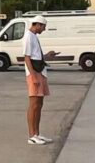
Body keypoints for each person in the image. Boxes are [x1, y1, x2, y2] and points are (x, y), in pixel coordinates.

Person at [23, 15, 57, 146]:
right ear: (37, 25)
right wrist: (33, 76)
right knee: (34, 104)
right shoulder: (28, 37)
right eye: (43, 27)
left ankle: (36, 133)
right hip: (35, 74)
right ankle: (31, 135)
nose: (44, 29)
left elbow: (35, 56)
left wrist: (46, 55)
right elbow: (26, 58)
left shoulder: (34, 37)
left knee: (39, 104)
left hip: (40, 72)